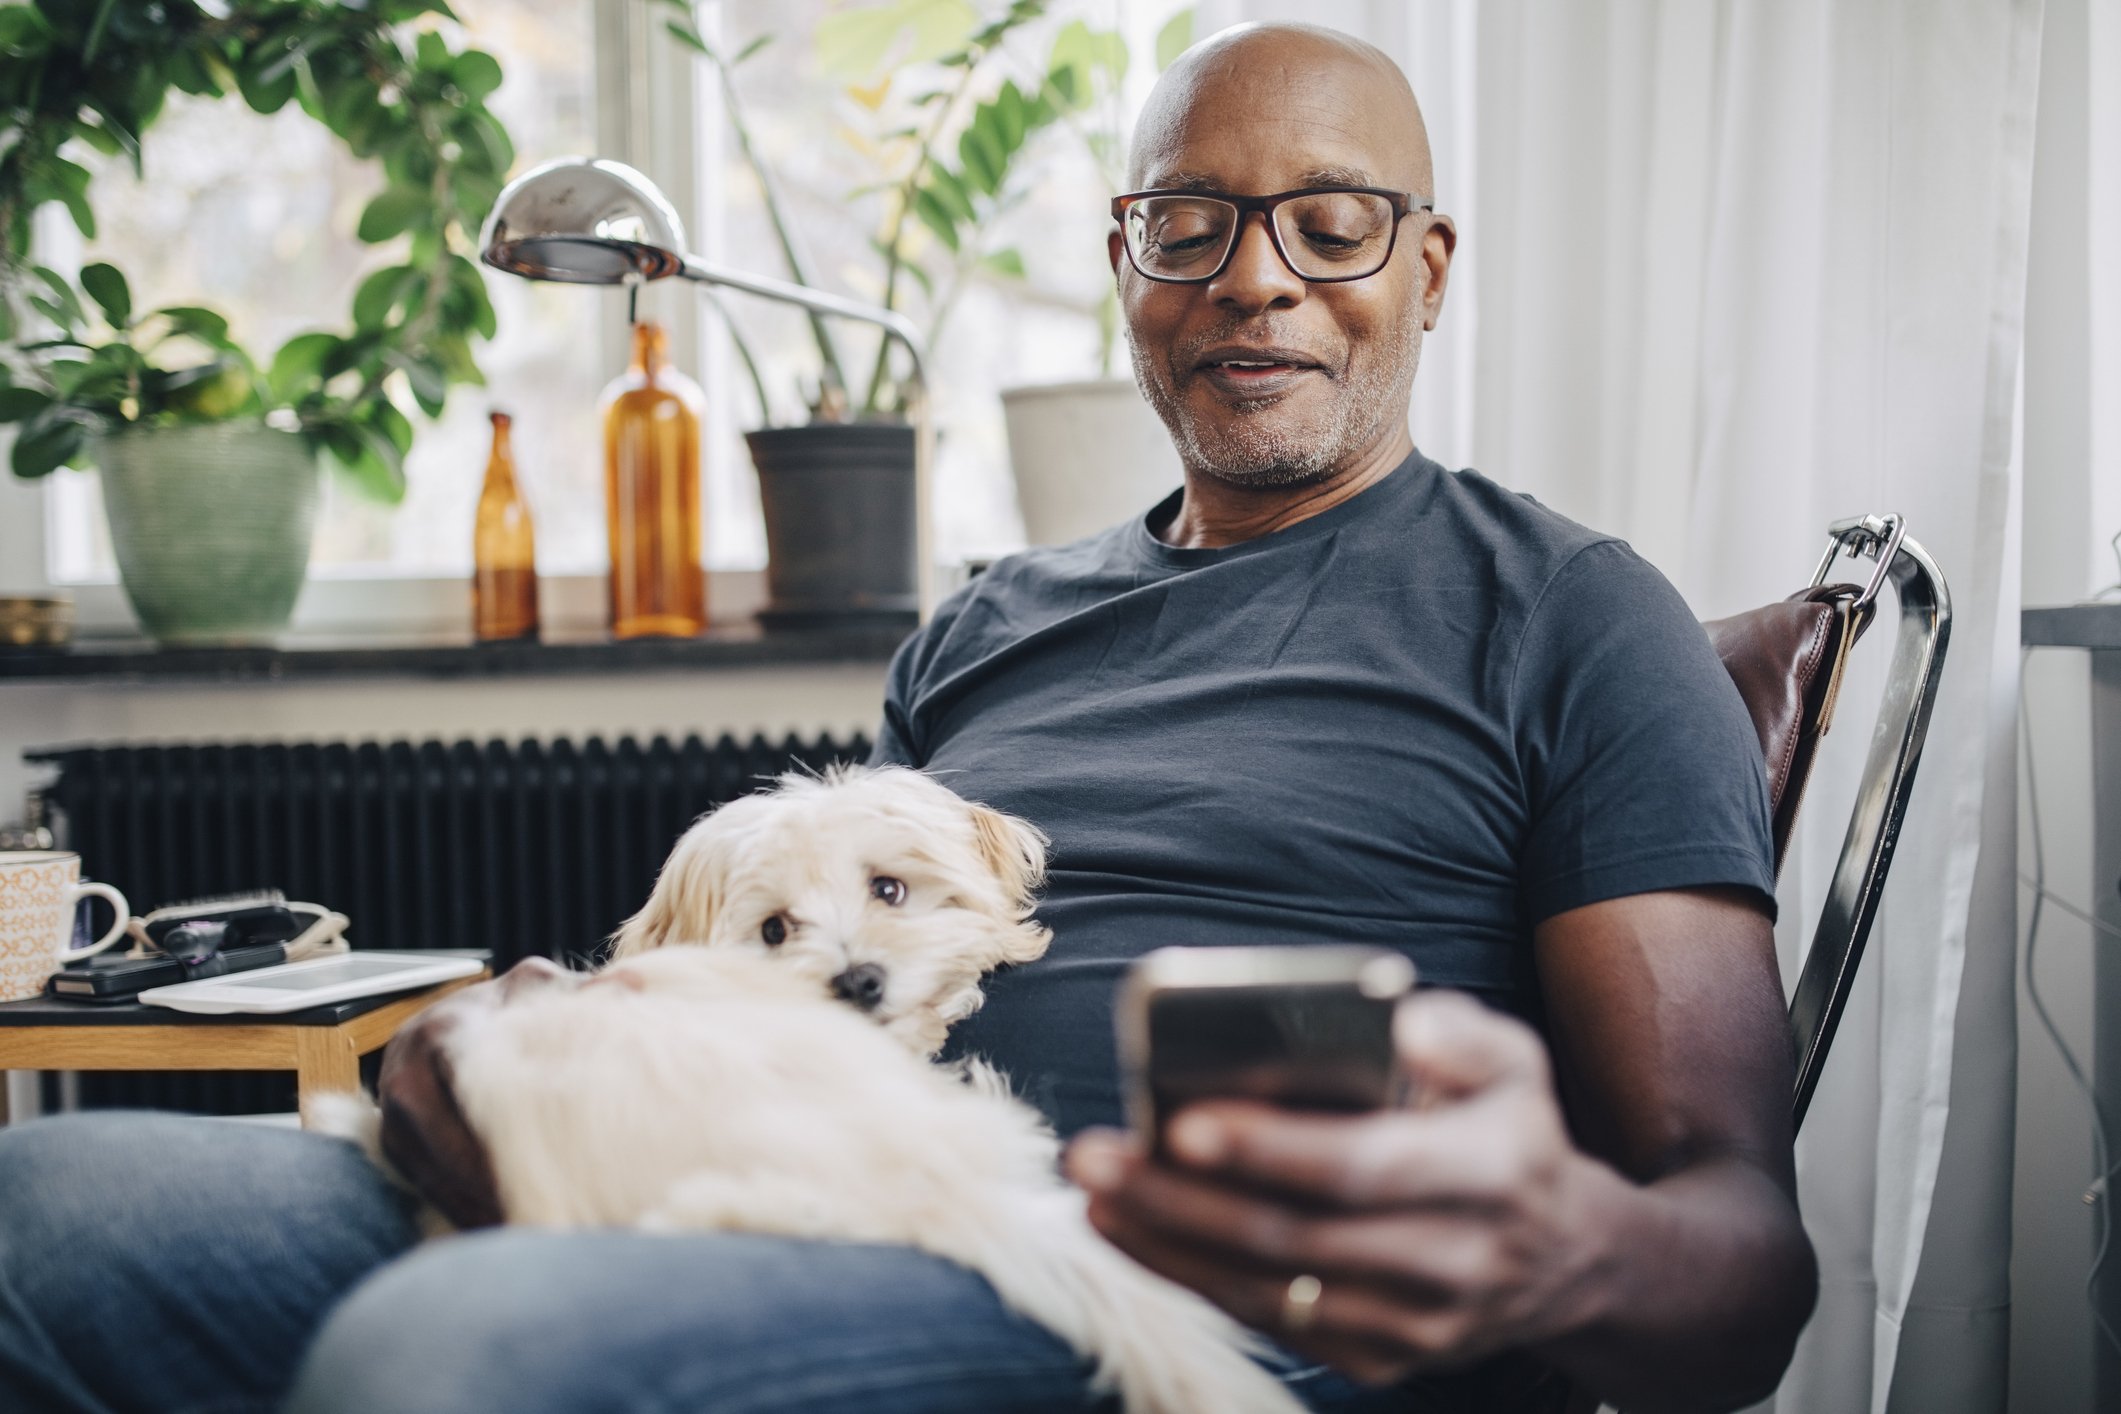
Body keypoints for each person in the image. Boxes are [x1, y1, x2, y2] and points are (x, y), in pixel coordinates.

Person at [0, 22, 1815, 1414]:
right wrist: (535, 1035)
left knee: (461, 1350)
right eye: (1189, 222)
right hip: (760, 1180)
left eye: (1330, 225)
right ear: (1125, 263)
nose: (1253, 276)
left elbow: (1742, 1259)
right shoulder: (983, 629)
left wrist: (1555, 1247)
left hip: (1137, 1293)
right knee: (42, 1213)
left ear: (1425, 267)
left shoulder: (1574, 616)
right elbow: (815, 961)